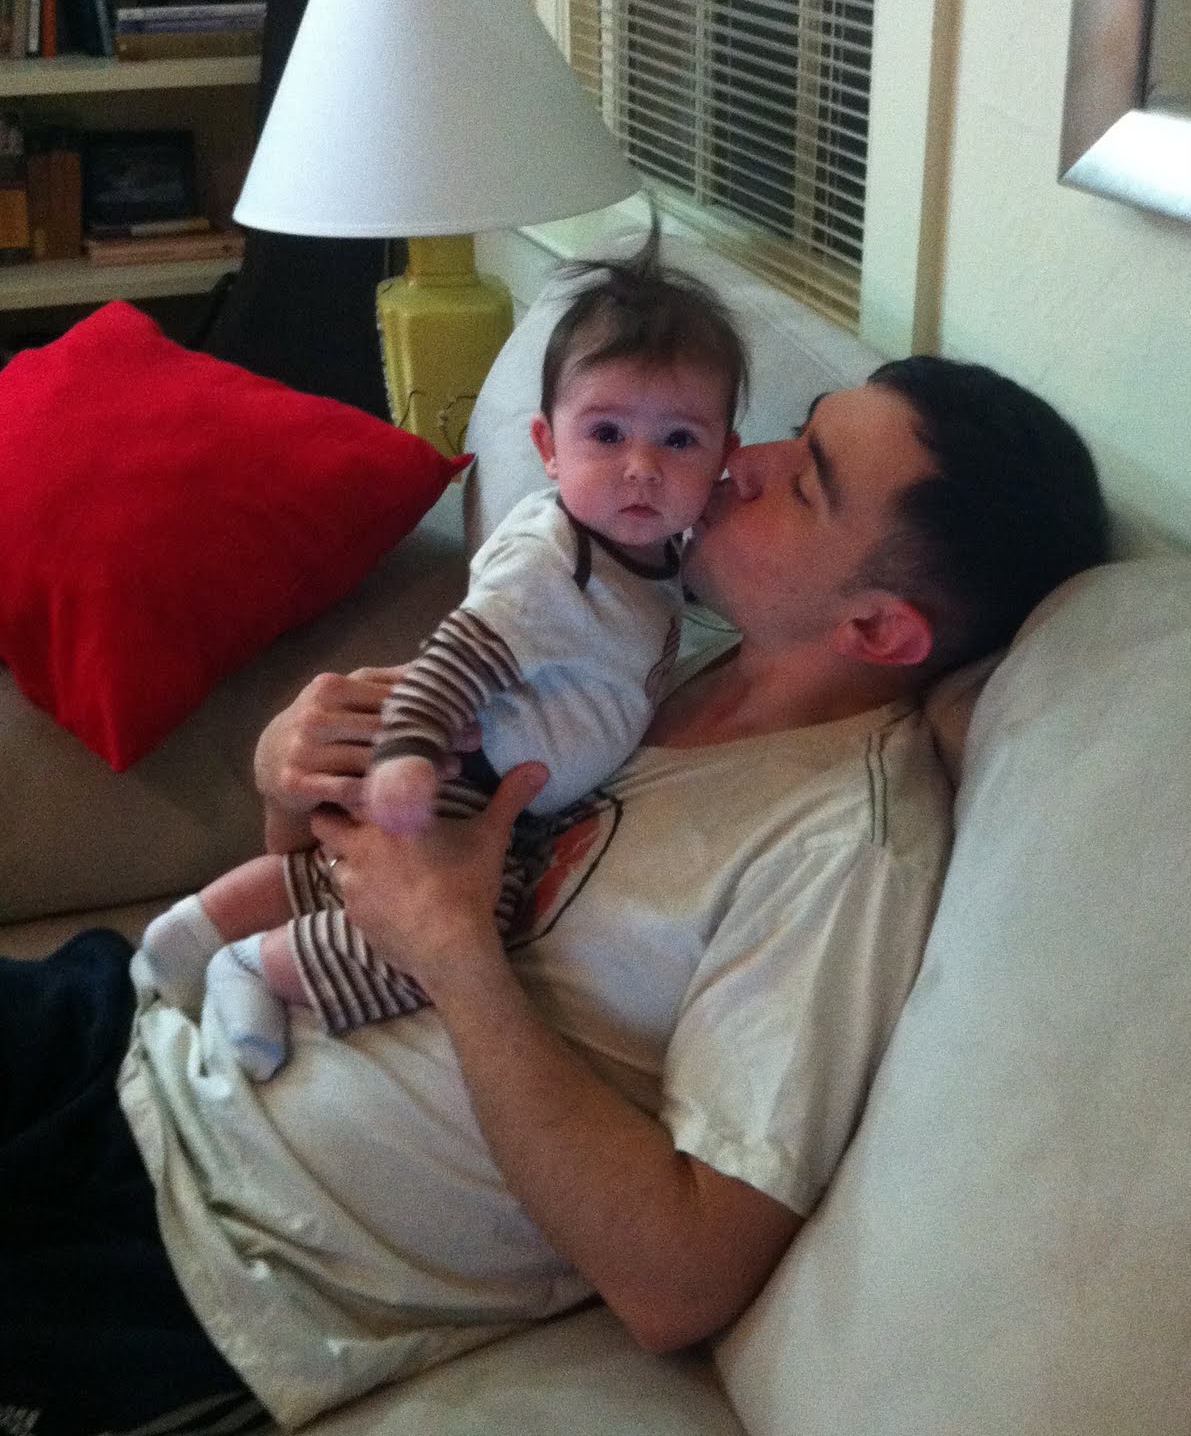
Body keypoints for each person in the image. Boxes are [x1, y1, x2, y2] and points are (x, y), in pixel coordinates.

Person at [0, 354, 1110, 1435]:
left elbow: (679, 1282)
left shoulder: (841, 851)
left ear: (875, 628)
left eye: (804, 481)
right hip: (137, 1035)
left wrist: (455, 956)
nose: (744, 460)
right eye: (795, 429)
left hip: (208, 1257)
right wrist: (292, 779)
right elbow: (346, 871)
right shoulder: (646, 637)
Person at [137, 241, 747, 1078]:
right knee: (457, 927)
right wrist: (408, 756)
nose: (641, 468)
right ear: (548, 447)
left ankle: (195, 928)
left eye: (678, 440)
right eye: (606, 433)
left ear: (723, 459)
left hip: (489, 783)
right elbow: (455, 655)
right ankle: (259, 965)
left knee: (337, 873)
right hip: (461, 772)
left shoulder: (657, 556)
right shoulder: (554, 562)